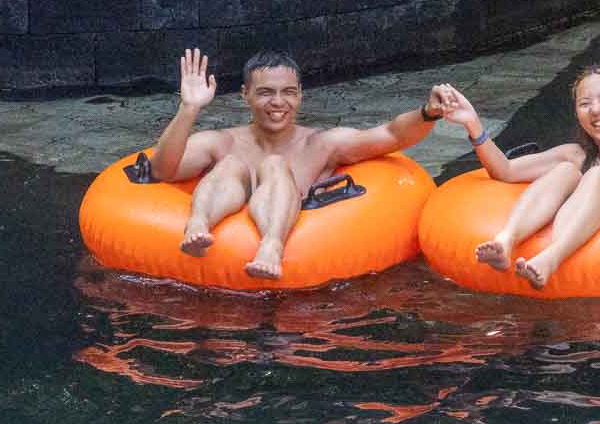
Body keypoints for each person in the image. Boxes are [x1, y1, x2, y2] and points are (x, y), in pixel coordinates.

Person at [149, 48, 455, 280]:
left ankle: (272, 243)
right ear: (245, 95)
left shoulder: (322, 145)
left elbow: (392, 134)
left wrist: (427, 113)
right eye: (266, 92)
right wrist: (189, 109)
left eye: (288, 93)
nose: (278, 102)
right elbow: (163, 170)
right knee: (230, 164)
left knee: (275, 165)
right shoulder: (222, 141)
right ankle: (199, 224)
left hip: (292, 272)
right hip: (218, 264)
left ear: (300, 97)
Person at [439, 49, 600, 289]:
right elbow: (505, 171)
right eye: (585, 103)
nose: (596, 110)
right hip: (579, 238)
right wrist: (472, 124)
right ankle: (506, 240)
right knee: (566, 170)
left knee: (597, 175)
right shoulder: (574, 155)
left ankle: (551, 257)